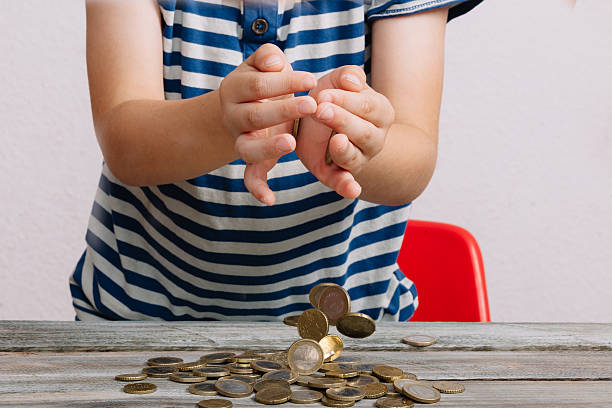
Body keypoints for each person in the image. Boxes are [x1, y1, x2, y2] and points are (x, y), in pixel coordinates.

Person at [71, 0, 482, 321]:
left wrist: (344, 134)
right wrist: (226, 119)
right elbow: (125, 145)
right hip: (138, 317)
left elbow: (414, 162)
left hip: (346, 323)